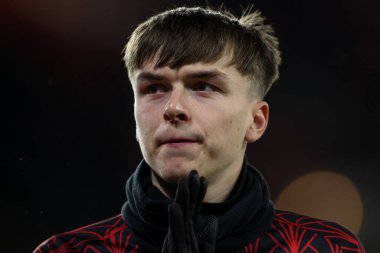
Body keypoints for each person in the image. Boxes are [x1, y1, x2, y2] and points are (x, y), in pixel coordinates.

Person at [34, 6, 365, 253]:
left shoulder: (327, 248)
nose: (173, 108)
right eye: (153, 89)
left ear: (256, 121)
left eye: (203, 86)